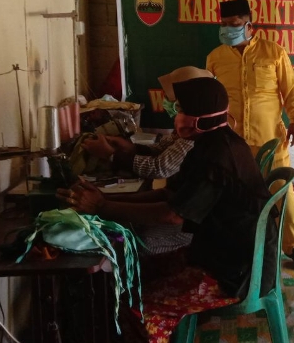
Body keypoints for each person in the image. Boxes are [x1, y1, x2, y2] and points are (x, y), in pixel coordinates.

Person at [58, 76, 278, 298]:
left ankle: (138, 321)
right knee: (136, 244)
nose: (176, 114)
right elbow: (169, 194)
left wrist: (102, 206)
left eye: (181, 108)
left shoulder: (217, 155)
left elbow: (173, 215)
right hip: (226, 251)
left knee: (138, 267)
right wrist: (103, 199)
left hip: (239, 273)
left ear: (200, 117)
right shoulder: (212, 142)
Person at [206, 0, 294, 272]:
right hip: (233, 140)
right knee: (236, 195)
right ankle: (242, 246)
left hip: (271, 138)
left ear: (249, 25)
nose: (228, 29)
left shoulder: (273, 52)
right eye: (224, 25)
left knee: (282, 190)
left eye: (234, 24)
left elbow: (290, 89)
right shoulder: (215, 57)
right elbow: (211, 96)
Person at [81, 66, 213, 179]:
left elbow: (159, 168)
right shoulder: (188, 125)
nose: (166, 101)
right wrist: (131, 148)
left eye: (173, 99)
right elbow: (162, 148)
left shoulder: (197, 132)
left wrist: (111, 154)